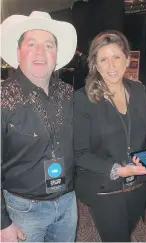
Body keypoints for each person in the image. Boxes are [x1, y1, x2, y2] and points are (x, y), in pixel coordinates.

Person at [1, 11, 78, 242]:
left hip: (67, 203)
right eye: (31, 44)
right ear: (18, 52)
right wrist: (2, 223)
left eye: (48, 45)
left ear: (56, 54)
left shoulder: (67, 93)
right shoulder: (3, 97)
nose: (40, 52)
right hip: (23, 209)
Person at [73, 30, 146, 242]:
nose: (111, 66)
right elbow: (80, 154)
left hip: (137, 185)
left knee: (126, 232)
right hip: (106, 188)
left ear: (127, 59)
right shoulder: (83, 99)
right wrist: (118, 170)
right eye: (103, 60)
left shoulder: (137, 90)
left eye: (116, 57)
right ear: (95, 65)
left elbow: (144, 137)